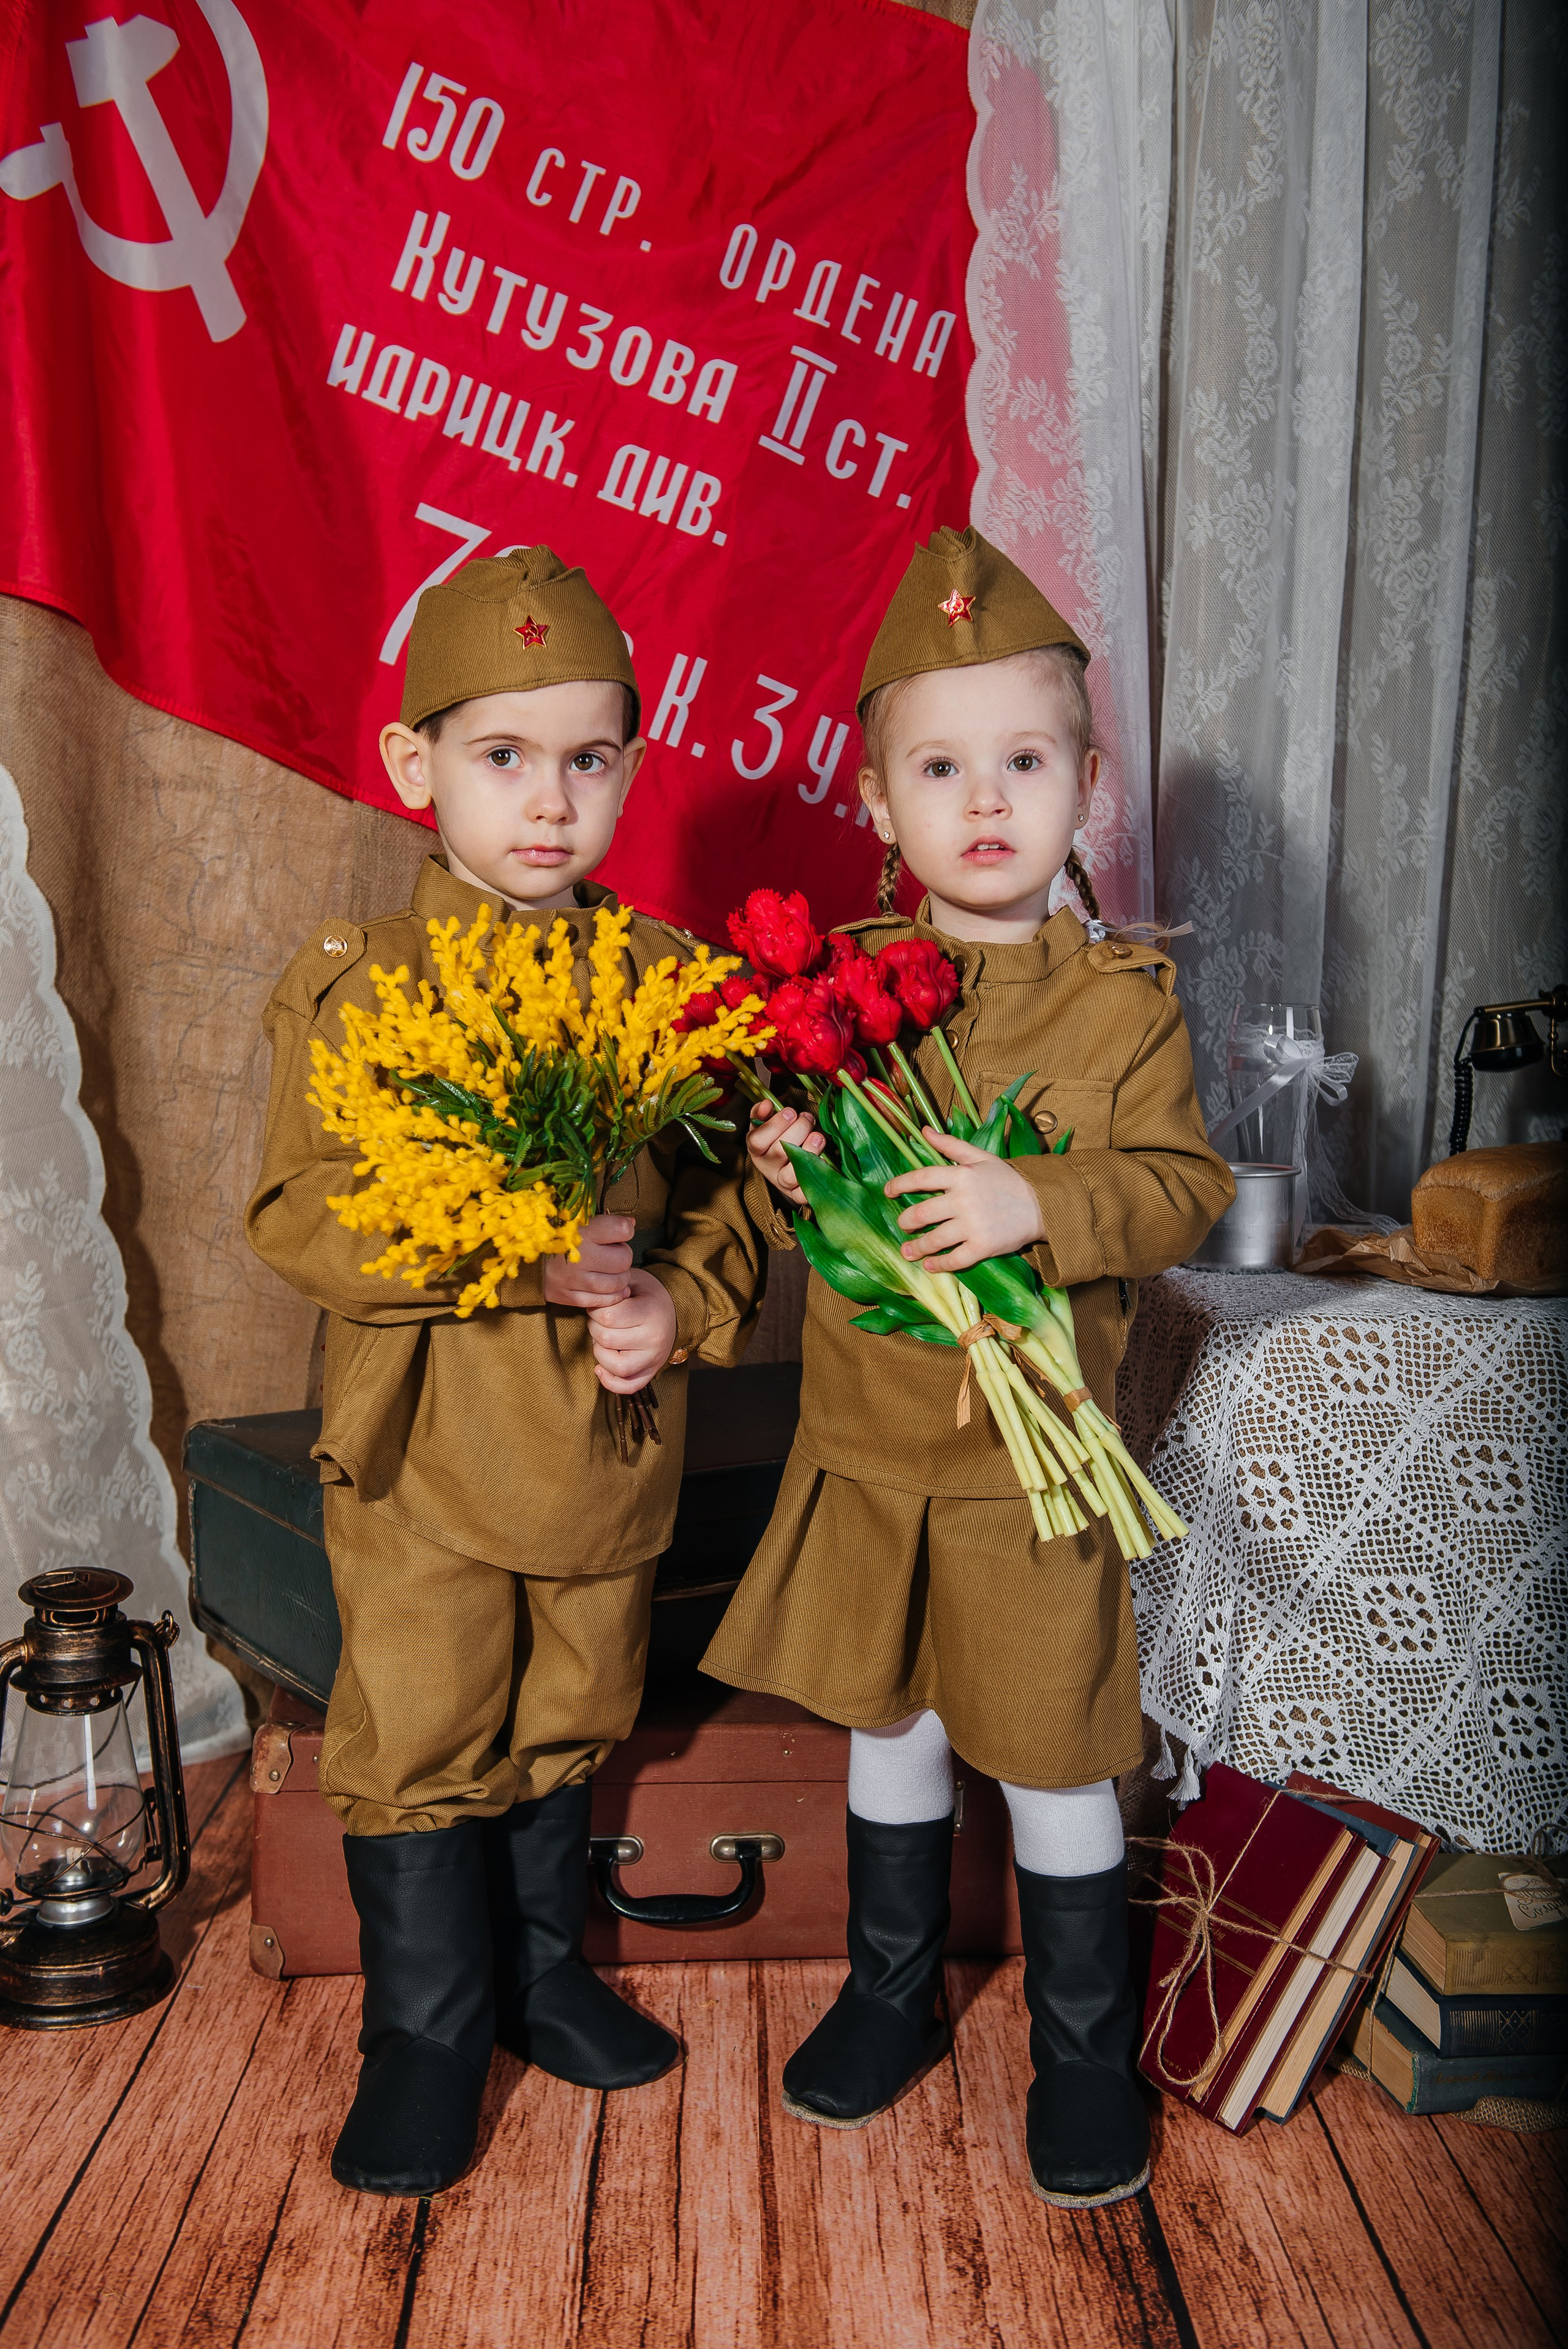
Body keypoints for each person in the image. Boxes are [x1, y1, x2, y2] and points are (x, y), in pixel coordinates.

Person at [703, 526, 1233, 2208]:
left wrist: (1038, 1202)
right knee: (897, 1723)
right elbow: (814, 1229)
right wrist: (791, 1175)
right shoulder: (838, 992)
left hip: (1029, 1467)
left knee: (1059, 1751)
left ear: (1087, 784)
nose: (986, 799)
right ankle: (890, 1993)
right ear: (877, 797)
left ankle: (1081, 2052)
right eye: (942, 767)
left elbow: (1183, 1189)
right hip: (873, 1450)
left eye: (1025, 761)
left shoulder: (1122, 1006)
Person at [246, 545, 764, 2197]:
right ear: (416, 767)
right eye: (502, 755)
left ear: (631, 765)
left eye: (589, 757)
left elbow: (737, 1202)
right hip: (427, 1448)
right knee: (426, 1717)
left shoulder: (665, 984)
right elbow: (300, 1212)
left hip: (601, 1445)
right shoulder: (368, 981)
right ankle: (425, 2033)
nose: (549, 799)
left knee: (570, 1709)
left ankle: (543, 1980)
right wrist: (514, 1256)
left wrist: (679, 1300)